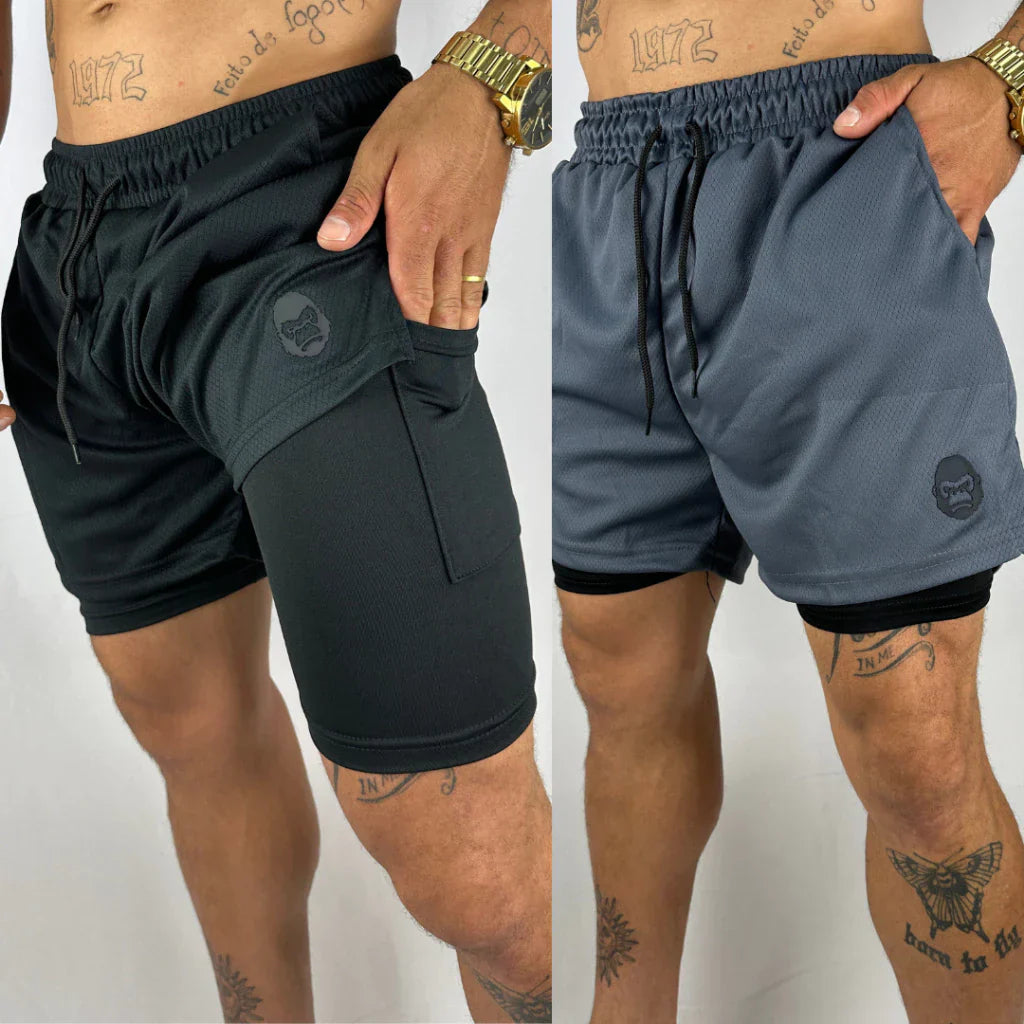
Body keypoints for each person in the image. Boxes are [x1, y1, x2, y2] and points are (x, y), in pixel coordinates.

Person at [0, 2, 552, 1021]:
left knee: (468, 858)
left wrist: (498, 70)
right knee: (192, 730)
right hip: (73, 260)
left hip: (303, 198)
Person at [556, 1, 1024, 1021]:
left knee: (915, 742)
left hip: (838, 158)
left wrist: (1012, 78)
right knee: (620, 677)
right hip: (611, 188)